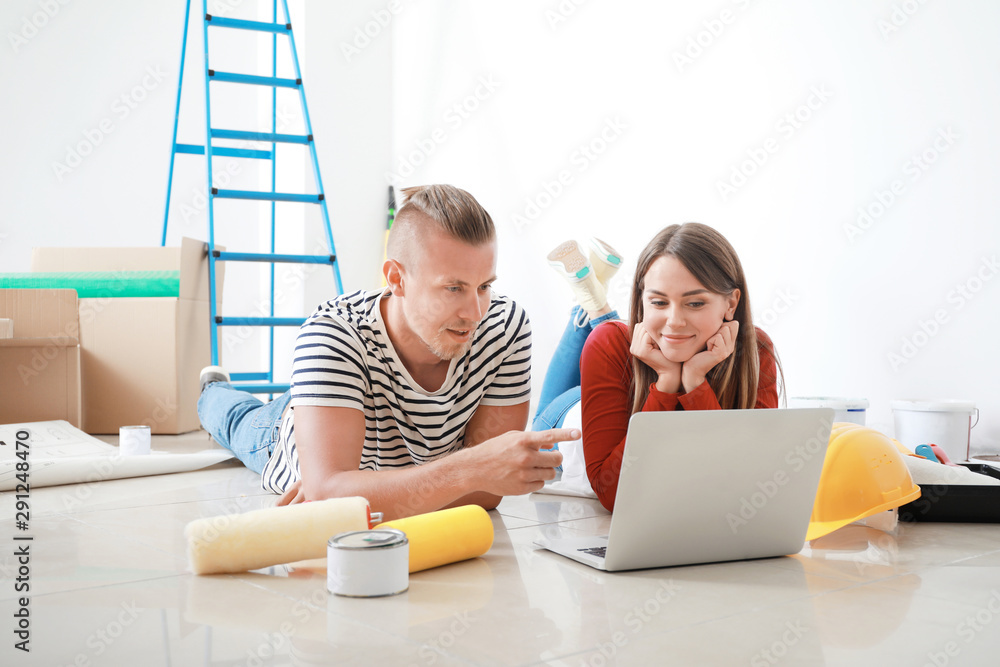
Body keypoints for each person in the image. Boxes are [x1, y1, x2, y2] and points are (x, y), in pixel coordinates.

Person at [197, 184, 575, 520]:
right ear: (396, 279)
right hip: (284, 431)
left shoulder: (504, 325)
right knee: (235, 419)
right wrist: (463, 473)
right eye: (453, 288)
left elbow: (490, 491)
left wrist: (358, 491)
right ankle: (213, 388)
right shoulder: (332, 333)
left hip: (347, 417)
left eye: (484, 286)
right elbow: (331, 497)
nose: (475, 313)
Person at [538, 224, 782, 511]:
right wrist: (666, 382)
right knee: (538, 433)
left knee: (612, 334)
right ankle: (590, 299)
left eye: (694, 303)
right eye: (658, 301)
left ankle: (591, 295)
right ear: (642, 301)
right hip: (567, 416)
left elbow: (745, 484)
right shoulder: (609, 344)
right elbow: (614, 494)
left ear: (731, 303)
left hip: (619, 381)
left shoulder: (755, 351)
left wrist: (695, 383)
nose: (675, 320)